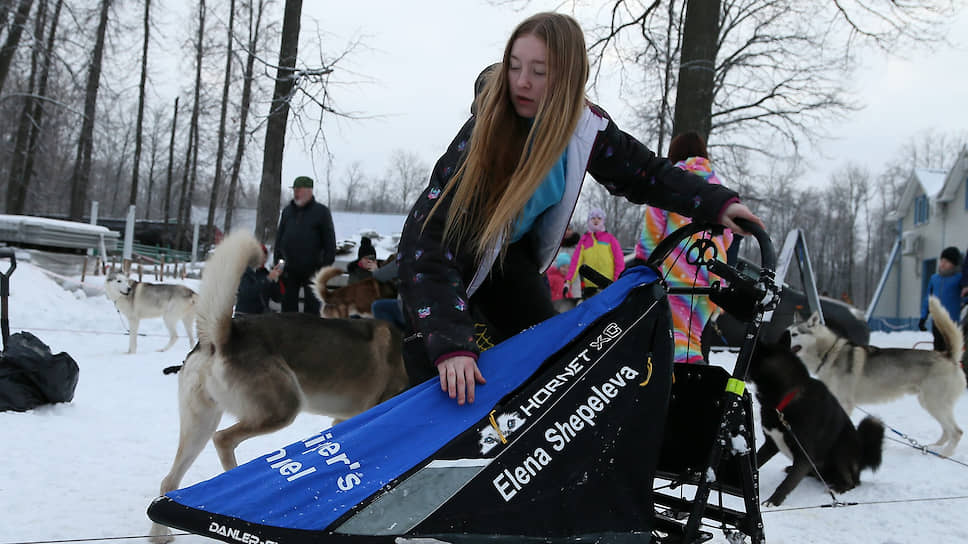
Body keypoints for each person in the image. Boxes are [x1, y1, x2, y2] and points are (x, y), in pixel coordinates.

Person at [397, 12, 763, 405]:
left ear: (569, 80)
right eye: (515, 67)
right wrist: (451, 342)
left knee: (554, 368)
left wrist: (715, 202)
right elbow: (428, 237)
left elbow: (644, 172)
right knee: (448, 383)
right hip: (448, 267)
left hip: (508, 261)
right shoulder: (488, 131)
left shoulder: (584, 130)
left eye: (539, 71)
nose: (522, 82)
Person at [631, 131, 732, 364]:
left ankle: (679, 397)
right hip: (712, 278)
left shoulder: (671, 184)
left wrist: (642, 268)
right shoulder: (718, 188)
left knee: (674, 346)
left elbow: (652, 234)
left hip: (677, 276)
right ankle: (697, 391)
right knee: (693, 341)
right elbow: (726, 237)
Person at [273, 175, 336, 314]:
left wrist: (323, 268)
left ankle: (310, 335)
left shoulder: (321, 212)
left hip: (312, 270)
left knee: (312, 311)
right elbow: (279, 239)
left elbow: (330, 244)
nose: (296, 192)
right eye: (295, 189)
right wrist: (278, 262)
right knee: (288, 309)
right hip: (289, 269)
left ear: (309, 190)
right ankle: (288, 334)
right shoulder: (287, 211)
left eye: (299, 189)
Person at [564, 208, 624, 299]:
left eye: (599, 218)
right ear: (589, 220)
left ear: (603, 221)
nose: (596, 220)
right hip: (590, 288)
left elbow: (619, 261)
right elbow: (575, 262)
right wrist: (568, 282)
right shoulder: (584, 240)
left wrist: (617, 281)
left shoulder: (610, 239)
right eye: (593, 218)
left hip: (608, 285)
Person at [919, 246, 963, 351]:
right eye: (942, 261)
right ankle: (938, 366)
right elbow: (928, 299)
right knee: (938, 348)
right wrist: (923, 317)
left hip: (952, 322)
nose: (942, 264)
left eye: (947, 261)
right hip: (937, 321)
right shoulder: (934, 279)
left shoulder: (959, 278)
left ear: (954, 264)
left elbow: (964, 295)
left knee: (951, 349)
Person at [235, 244, 282, 315]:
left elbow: (277, 298)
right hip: (244, 315)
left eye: (265, 256)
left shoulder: (265, 273)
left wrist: (276, 279)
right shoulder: (244, 272)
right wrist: (268, 279)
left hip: (261, 317)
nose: (262, 258)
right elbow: (248, 293)